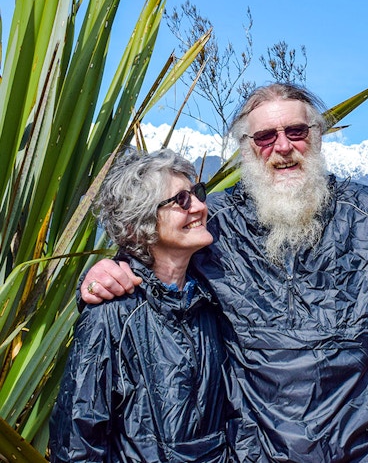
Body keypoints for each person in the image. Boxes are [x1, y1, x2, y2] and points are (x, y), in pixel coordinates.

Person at [80, 83, 368, 463]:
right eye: (265, 137)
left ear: (316, 138)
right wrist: (107, 272)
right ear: (247, 147)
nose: (282, 147)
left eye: (296, 132)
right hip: (252, 452)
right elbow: (153, 258)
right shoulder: (213, 223)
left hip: (362, 447)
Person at [50, 149, 235, 463]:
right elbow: (78, 441)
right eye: (181, 200)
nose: (201, 206)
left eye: (196, 194)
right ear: (140, 224)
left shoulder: (213, 300)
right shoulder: (111, 314)